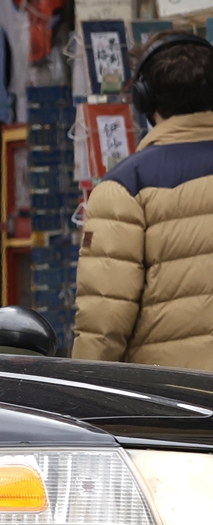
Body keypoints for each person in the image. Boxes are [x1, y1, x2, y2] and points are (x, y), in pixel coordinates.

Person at [74, 31, 213, 369]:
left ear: (143, 100)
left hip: (172, 401)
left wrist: (84, 397)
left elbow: (104, 322)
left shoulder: (124, 188)